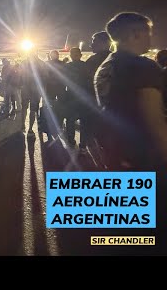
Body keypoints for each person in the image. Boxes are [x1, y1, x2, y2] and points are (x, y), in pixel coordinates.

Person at [94, 12, 167, 172]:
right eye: (148, 33)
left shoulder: (106, 66)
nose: (150, 39)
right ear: (135, 35)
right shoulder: (143, 66)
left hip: (116, 152)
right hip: (145, 159)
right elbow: (154, 121)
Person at [63, 47, 90, 150]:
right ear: (81, 55)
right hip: (84, 97)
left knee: (70, 120)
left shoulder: (67, 67)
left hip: (71, 96)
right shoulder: (86, 66)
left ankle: (71, 140)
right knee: (84, 122)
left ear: (70, 56)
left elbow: (63, 82)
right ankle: (83, 145)